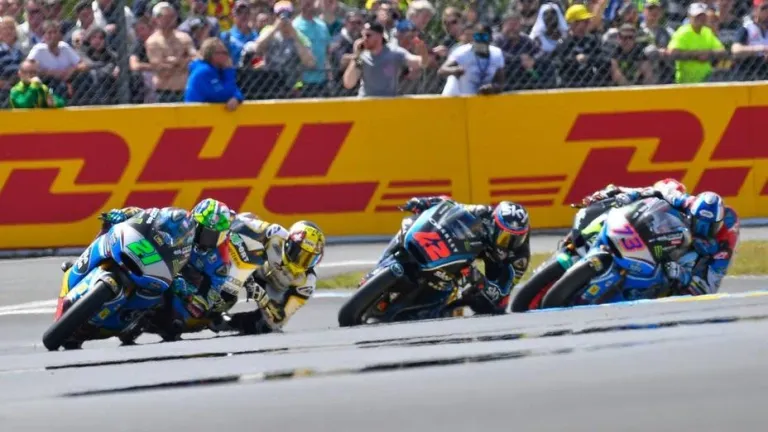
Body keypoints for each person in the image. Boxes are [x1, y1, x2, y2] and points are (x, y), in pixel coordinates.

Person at [62, 198, 236, 340]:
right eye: (207, 233)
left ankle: (131, 321)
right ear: (195, 222)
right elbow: (149, 216)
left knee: (172, 326)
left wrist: (189, 293)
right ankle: (84, 261)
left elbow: (210, 299)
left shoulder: (220, 262)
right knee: (110, 227)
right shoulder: (179, 220)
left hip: (175, 289)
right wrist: (124, 214)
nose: (211, 240)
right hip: (154, 260)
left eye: (217, 236)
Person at [589, 186, 739, 297]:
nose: (702, 230)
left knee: (675, 281)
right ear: (691, 213)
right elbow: (656, 191)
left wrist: (682, 275)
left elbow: (707, 289)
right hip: (667, 241)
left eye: (708, 227)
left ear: (719, 224)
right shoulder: (686, 202)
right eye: (698, 223)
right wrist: (630, 196)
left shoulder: (722, 249)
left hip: (680, 267)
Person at [393, 196, 531, 314]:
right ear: (494, 224)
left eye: (517, 238)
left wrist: (480, 281)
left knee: (495, 307)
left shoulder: (520, 257)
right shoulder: (484, 213)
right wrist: (425, 202)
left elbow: (503, 291)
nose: (510, 243)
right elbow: (452, 206)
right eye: (505, 237)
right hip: (476, 249)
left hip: (496, 269)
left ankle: (444, 312)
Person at [211, 213, 326, 335]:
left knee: (270, 325)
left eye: (309, 259)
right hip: (253, 267)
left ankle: (227, 323)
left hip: (272, 291)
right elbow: (240, 221)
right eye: (298, 253)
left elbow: (283, 317)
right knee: (249, 217)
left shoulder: (307, 282)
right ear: (289, 243)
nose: (301, 262)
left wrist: (272, 308)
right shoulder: (276, 234)